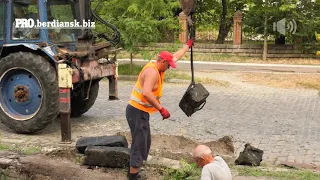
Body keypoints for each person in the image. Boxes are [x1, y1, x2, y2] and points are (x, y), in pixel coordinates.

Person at [126, 38, 194, 180]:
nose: (169, 67)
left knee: (145, 141)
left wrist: (187, 46)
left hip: (141, 111)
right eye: (168, 65)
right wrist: (161, 109)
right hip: (136, 111)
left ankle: (134, 171)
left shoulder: (160, 66)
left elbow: (176, 56)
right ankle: (133, 176)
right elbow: (146, 93)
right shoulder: (152, 71)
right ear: (162, 61)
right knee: (139, 142)